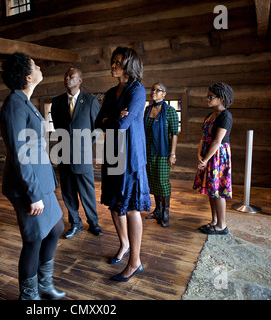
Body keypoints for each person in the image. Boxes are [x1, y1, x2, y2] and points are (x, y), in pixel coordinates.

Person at [0, 52, 65, 300]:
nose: (40, 67)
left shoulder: (25, 101)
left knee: (56, 226)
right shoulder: (14, 105)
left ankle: (44, 285)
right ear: (28, 76)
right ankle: (29, 297)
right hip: (26, 186)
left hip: (41, 181)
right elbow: (19, 154)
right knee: (34, 240)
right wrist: (34, 194)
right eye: (36, 66)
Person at [95, 46, 151, 282]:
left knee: (130, 208)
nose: (113, 65)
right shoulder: (110, 92)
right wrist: (112, 118)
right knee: (114, 204)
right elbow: (99, 121)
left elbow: (123, 125)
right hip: (112, 153)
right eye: (113, 61)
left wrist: (113, 119)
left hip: (130, 156)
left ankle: (135, 262)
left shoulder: (137, 90)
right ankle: (124, 244)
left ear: (129, 65)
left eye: (118, 62)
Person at [51, 67, 103, 239]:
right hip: (64, 155)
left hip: (83, 156)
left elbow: (97, 129)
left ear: (80, 80)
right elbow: (58, 129)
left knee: (87, 192)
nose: (67, 78)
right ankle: (75, 224)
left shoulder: (90, 101)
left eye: (71, 76)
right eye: (65, 75)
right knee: (68, 192)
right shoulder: (57, 102)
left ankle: (93, 223)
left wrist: (85, 145)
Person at [193, 82, 234, 235]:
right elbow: (203, 137)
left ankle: (222, 225)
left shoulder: (226, 116)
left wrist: (205, 159)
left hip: (217, 156)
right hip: (207, 154)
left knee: (218, 191)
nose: (208, 99)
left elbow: (217, 141)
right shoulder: (210, 115)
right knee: (211, 190)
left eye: (211, 97)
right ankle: (214, 221)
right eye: (208, 96)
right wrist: (199, 155)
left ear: (221, 98)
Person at [144, 82, 179, 227]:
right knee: (152, 180)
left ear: (164, 94)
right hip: (148, 151)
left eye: (158, 90)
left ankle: (165, 213)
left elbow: (174, 134)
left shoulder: (170, 111)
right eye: (153, 89)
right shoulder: (147, 109)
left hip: (163, 153)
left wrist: (173, 154)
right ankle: (157, 210)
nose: (154, 92)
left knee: (162, 182)